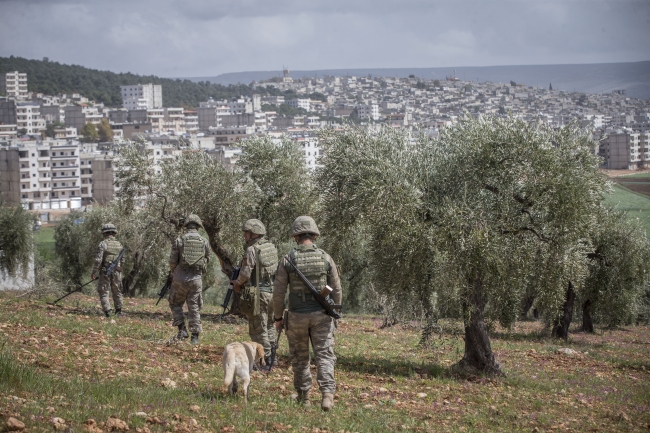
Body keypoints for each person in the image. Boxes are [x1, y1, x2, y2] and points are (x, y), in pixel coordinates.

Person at [273, 216, 342, 411]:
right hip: (322, 315)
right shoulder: (326, 257)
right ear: (313, 234)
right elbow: (336, 289)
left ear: (296, 236)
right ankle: (327, 394)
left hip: (296, 317)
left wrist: (278, 318)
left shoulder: (288, 259)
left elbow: (278, 293)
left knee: (300, 357)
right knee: (325, 355)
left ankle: (304, 397)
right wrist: (334, 311)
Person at [231, 219, 278, 370]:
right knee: (269, 325)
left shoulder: (252, 250)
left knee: (257, 328)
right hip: (271, 292)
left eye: (247, 233)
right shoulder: (270, 248)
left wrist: (237, 283)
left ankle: (265, 361)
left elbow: (245, 273)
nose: (244, 235)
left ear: (254, 234)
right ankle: (273, 358)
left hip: (256, 293)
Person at [169, 214, 210, 345]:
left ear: (186, 226)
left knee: (175, 303)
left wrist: (174, 272)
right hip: (196, 278)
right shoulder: (204, 241)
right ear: (198, 226)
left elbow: (172, 261)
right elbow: (207, 259)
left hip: (180, 277)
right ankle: (195, 337)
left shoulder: (179, 240)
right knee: (194, 307)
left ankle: (182, 329)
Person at [91, 223, 124, 317]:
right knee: (117, 291)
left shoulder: (103, 243)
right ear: (114, 232)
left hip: (105, 271)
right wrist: (119, 269)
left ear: (104, 233)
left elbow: (98, 259)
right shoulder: (119, 244)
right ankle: (119, 312)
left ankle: (108, 312)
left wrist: (94, 271)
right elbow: (123, 260)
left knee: (103, 291)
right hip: (117, 271)